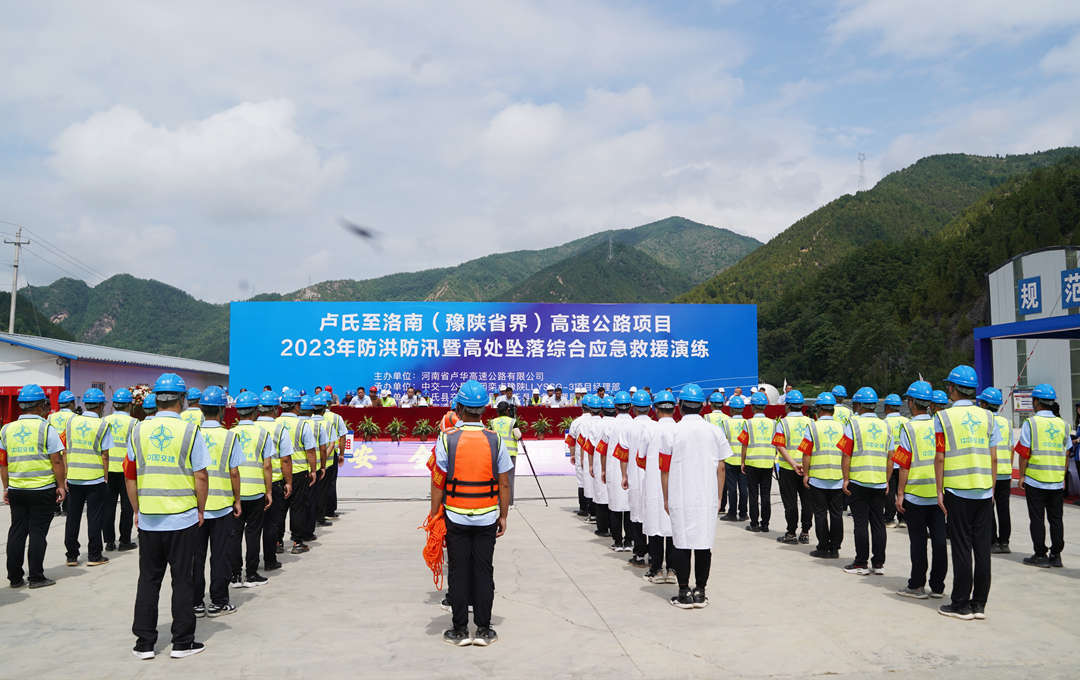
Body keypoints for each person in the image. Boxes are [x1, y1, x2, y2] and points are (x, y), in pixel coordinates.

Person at [126, 372, 209, 659]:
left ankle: (144, 643)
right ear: (182, 400)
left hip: (150, 518)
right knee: (182, 579)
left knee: (148, 580)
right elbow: (201, 476)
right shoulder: (190, 431)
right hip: (182, 517)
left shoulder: (137, 431)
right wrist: (200, 508)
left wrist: (137, 510)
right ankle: (182, 642)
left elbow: (131, 476)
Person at [430, 380, 511, 647]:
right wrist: (503, 515)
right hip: (487, 516)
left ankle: (460, 630)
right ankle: (485, 629)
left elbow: (438, 481)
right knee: (483, 570)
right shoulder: (495, 439)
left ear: (460, 408)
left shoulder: (447, 438)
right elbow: (504, 483)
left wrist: (434, 514)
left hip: (456, 515)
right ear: (484, 409)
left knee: (458, 571)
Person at [934, 365, 999, 621]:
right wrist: (991, 489)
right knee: (982, 550)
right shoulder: (989, 417)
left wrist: (939, 490)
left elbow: (940, 457)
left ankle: (960, 603)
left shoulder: (943, 418)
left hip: (957, 490)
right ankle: (979, 604)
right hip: (983, 491)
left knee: (961, 548)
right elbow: (994, 458)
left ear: (952, 388)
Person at [661, 383, 731, 608]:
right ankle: (700, 591)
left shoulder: (673, 431)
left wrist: (666, 498)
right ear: (702, 406)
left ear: (680, 405)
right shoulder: (714, 431)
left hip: (680, 496)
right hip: (706, 497)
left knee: (681, 543)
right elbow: (721, 468)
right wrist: (718, 497)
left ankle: (683, 592)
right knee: (703, 544)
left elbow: (665, 469)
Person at [2, 384, 66, 589]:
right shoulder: (46, 429)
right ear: (40, 405)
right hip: (42, 489)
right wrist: (61, 486)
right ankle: (36, 577)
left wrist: (6, 488)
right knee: (37, 532)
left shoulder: (6, 429)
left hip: (17, 489)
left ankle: (14, 577)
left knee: (17, 531)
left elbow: (3, 462)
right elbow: (57, 460)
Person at [893, 380, 947, 599]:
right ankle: (938, 586)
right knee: (940, 542)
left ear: (911, 402)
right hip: (938, 493)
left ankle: (916, 585)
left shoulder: (908, 428)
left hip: (915, 494)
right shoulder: (939, 425)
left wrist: (900, 493)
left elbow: (903, 464)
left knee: (918, 542)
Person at [190, 386, 241, 617]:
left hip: (196, 507)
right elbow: (234, 472)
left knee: (196, 557)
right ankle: (219, 602)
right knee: (220, 556)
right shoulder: (229, 436)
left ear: (201, 409)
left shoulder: (192, 434)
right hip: (221, 506)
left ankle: (196, 603)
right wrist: (237, 499)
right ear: (222, 410)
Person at [1015, 383, 1068, 569]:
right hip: (1056, 482)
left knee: (1037, 519)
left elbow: (1024, 453)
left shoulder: (1031, 423)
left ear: (1036, 402)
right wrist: (1062, 476)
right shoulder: (1063, 424)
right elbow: (1066, 453)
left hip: (1035, 480)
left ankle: (1040, 554)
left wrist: (1022, 476)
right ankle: (1056, 555)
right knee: (1056, 519)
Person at [839, 387, 889, 576]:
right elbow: (891, 457)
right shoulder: (885, 425)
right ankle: (878, 563)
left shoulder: (852, 424)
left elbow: (846, 454)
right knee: (878, 523)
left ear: (858, 404)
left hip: (859, 481)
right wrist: (886, 480)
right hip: (879, 481)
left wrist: (845, 479)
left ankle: (861, 563)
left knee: (860, 523)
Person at [227, 390, 273, 588]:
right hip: (256, 491)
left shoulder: (230, 433)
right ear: (255, 412)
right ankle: (252, 574)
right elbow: (267, 466)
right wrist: (269, 491)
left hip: (234, 493)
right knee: (253, 534)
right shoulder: (263, 433)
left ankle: (235, 575)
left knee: (235, 535)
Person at [64, 387, 114, 568]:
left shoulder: (71, 422)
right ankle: (94, 555)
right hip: (94, 478)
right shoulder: (102, 425)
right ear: (100, 406)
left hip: (74, 476)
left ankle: (71, 556)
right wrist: (105, 477)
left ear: (85, 404)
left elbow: (67, 449)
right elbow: (105, 455)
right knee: (94, 518)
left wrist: (66, 474)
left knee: (72, 518)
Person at [798, 392, 845, 559]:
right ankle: (835, 548)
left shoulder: (812, 427)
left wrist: (806, 474)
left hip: (818, 478)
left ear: (819, 409)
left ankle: (823, 547)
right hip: (838, 478)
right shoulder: (843, 427)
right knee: (837, 514)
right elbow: (847, 453)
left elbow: (806, 453)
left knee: (820, 514)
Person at [641, 390, 678, 584]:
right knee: (673, 528)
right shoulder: (679, 429)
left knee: (655, 527)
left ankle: (655, 569)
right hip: (675, 484)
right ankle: (672, 570)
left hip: (655, 484)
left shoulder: (650, 430)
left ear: (655, 409)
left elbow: (640, 458)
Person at [277, 389, 317, 554]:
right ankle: (297, 542)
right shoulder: (302, 425)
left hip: (279, 472)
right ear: (297, 406)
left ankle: (277, 542)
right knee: (298, 508)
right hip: (299, 472)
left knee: (279, 509)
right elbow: (310, 451)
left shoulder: (275, 423)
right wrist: (313, 470)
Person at [256, 390, 291, 570]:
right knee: (271, 525)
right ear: (276, 409)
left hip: (253, 483)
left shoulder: (252, 428)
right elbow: (285, 459)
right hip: (275, 481)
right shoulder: (279, 429)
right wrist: (288, 482)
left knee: (252, 528)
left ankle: (250, 564)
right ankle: (270, 560)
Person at [772, 389, 812, 545]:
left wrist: (793, 463)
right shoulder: (811, 422)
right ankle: (805, 532)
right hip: (807, 468)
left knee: (790, 502)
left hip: (788, 468)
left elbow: (780, 446)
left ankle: (791, 533)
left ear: (787, 406)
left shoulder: (782, 423)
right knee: (807, 502)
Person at [977, 387, 1013, 554]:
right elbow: (1011, 448)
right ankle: (1004, 542)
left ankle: (992, 541)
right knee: (1004, 509)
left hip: (989, 471)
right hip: (1005, 472)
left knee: (988, 508)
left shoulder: (983, 421)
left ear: (985, 404)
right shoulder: (1007, 422)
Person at [103, 388, 137, 552]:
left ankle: (109, 541)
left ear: (114, 404)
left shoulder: (104, 420)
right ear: (129, 405)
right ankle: (124, 540)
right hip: (126, 471)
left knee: (108, 507)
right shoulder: (133, 422)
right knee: (127, 507)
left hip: (108, 470)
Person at [623, 389, 655, 567]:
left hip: (635, 476)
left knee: (636, 515)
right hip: (653, 478)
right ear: (650, 408)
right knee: (652, 515)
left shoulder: (628, 427)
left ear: (633, 408)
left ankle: (640, 553)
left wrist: (624, 475)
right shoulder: (655, 426)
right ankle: (654, 554)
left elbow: (623, 454)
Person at [737, 391, 774, 533]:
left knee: (753, 495)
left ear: (752, 407)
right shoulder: (773, 423)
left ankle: (754, 523)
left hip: (752, 463)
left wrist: (742, 461)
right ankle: (765, 524)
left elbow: (744, 444)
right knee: (766, 495)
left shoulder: (748, 423)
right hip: (767, 463)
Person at [603, 390, 635, 551]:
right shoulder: (634, 424)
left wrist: (602, 470)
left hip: (614, 469)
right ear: (630, 406)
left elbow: (602, 450)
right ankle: (629, 541)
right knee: (630, 507)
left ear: (615, 407)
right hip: (632, 470)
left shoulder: (610, 425)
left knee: (615, 506)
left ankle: (617, 541)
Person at [588, 396, 617, 537]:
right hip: (617, 465)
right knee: (615, 497)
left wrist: (590, 465)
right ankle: (615, 528)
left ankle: (603, 528)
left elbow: (589, 447)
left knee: (601, 495)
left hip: (600, 463)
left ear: (602, 410)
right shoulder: (618, 424)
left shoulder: (596, 425)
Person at [719, 395, 748, 522]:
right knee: (743, 489)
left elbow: (722, 442)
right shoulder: (747, 423)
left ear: (731, 409)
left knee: (732, 489)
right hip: (743, 461)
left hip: (730, 460)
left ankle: (732, 513)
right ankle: (743, 513)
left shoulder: (725, 423)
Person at [882, 393, 909, 529]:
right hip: (904, 461)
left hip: (891, 461)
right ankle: (903, 518)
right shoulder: (907, 421)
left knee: (890, 491)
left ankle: (889, 519)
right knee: (903, 490)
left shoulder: (884, 423)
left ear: (887, 407)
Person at [489, 402, 522, 505]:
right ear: (508, 410)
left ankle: (497, 501)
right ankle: (509, 502)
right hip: (510, 453)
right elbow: (518, 435)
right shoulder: (512, 422)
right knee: (509, 479)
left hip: (497, 453)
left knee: (497, 478)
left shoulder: (493, 422)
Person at [321, 392, 346, 520]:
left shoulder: (312, 417)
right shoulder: (336, 418)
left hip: (315, 455)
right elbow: (343, 436)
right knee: (330, 483)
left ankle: (318, 512)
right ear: (330, 403)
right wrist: (342, 454)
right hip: (331, 455)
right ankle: (329, 510)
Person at [565, 398, 591, 517]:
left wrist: (572, 455)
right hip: (595, 455)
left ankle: (583, 508)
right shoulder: (598, 421)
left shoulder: (577, 422)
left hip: (581, 455)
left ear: (582, 408)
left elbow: (571, 440)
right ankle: (593, 509)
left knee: (581, 481)